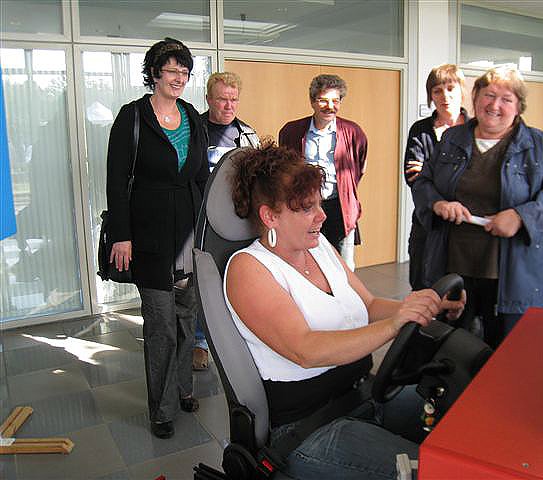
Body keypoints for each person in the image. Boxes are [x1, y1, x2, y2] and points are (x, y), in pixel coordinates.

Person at [223, 142, 466, 480]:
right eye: (307, 208)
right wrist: (395, 324)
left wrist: (421, 307)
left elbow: (368, 305)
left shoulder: (319, 246)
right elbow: (305, 349)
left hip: (363, 394)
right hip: (308, 429)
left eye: (319, 203)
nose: (322, 215)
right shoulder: (248, 268)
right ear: (270, 216)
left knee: (463, 423)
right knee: (435, 471)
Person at [411, 65, 543, 349]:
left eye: (506, 99)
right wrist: (438, 203)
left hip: (511, 271)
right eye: (488, 95)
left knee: (507, 349)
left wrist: (521, 217)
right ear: (475, 98)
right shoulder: (452, 139)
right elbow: (423, 181)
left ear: (519, 107)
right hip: (453, 264)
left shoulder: (541, 146)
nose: (494, 105)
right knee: (448, 347)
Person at [106, 38, 209, 439]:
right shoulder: (132, 116)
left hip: (188, 236)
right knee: (161, 326)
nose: (179, 78)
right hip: (148, 237)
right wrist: (122, 235)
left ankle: (183, 389)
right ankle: (162, 409)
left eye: (185, 72)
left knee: (186, 318)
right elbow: (116, 180)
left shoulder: (192, 117)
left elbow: (201, 176)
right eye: (172, 71)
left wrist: (208, 229)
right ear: (153, 73)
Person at [192, 71, 260, 371]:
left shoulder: (247, 135)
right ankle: (200, 342)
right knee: (203, 282)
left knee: (237, 279)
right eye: (222, 99)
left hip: (237, 224)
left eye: (233, 99)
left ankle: (238, 336)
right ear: (209, 99)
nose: (229, 105)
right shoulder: (193, 131)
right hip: (200, 222)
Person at [278, 74, 367, 271]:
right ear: (312, 101)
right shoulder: (291, 131)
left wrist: (346, 190)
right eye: (323, 100)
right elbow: (284, 168)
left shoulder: (353, 132)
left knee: (343, 266)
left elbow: (359, 168)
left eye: (335, 101)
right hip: (305, 206)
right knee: (307, 261)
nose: (330, 106)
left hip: (340, 206)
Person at [404, 64, 468, 291]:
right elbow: (412, 176)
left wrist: (429, 172)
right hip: (427, 222)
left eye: (450, 88)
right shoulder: (420, 130)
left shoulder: (475, 130)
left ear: (462, 91)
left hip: (465, 225)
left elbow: (477, 177)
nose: (444, 96)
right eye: (437, 91)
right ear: (430, 95)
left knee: (461, 292)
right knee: (422, 287)